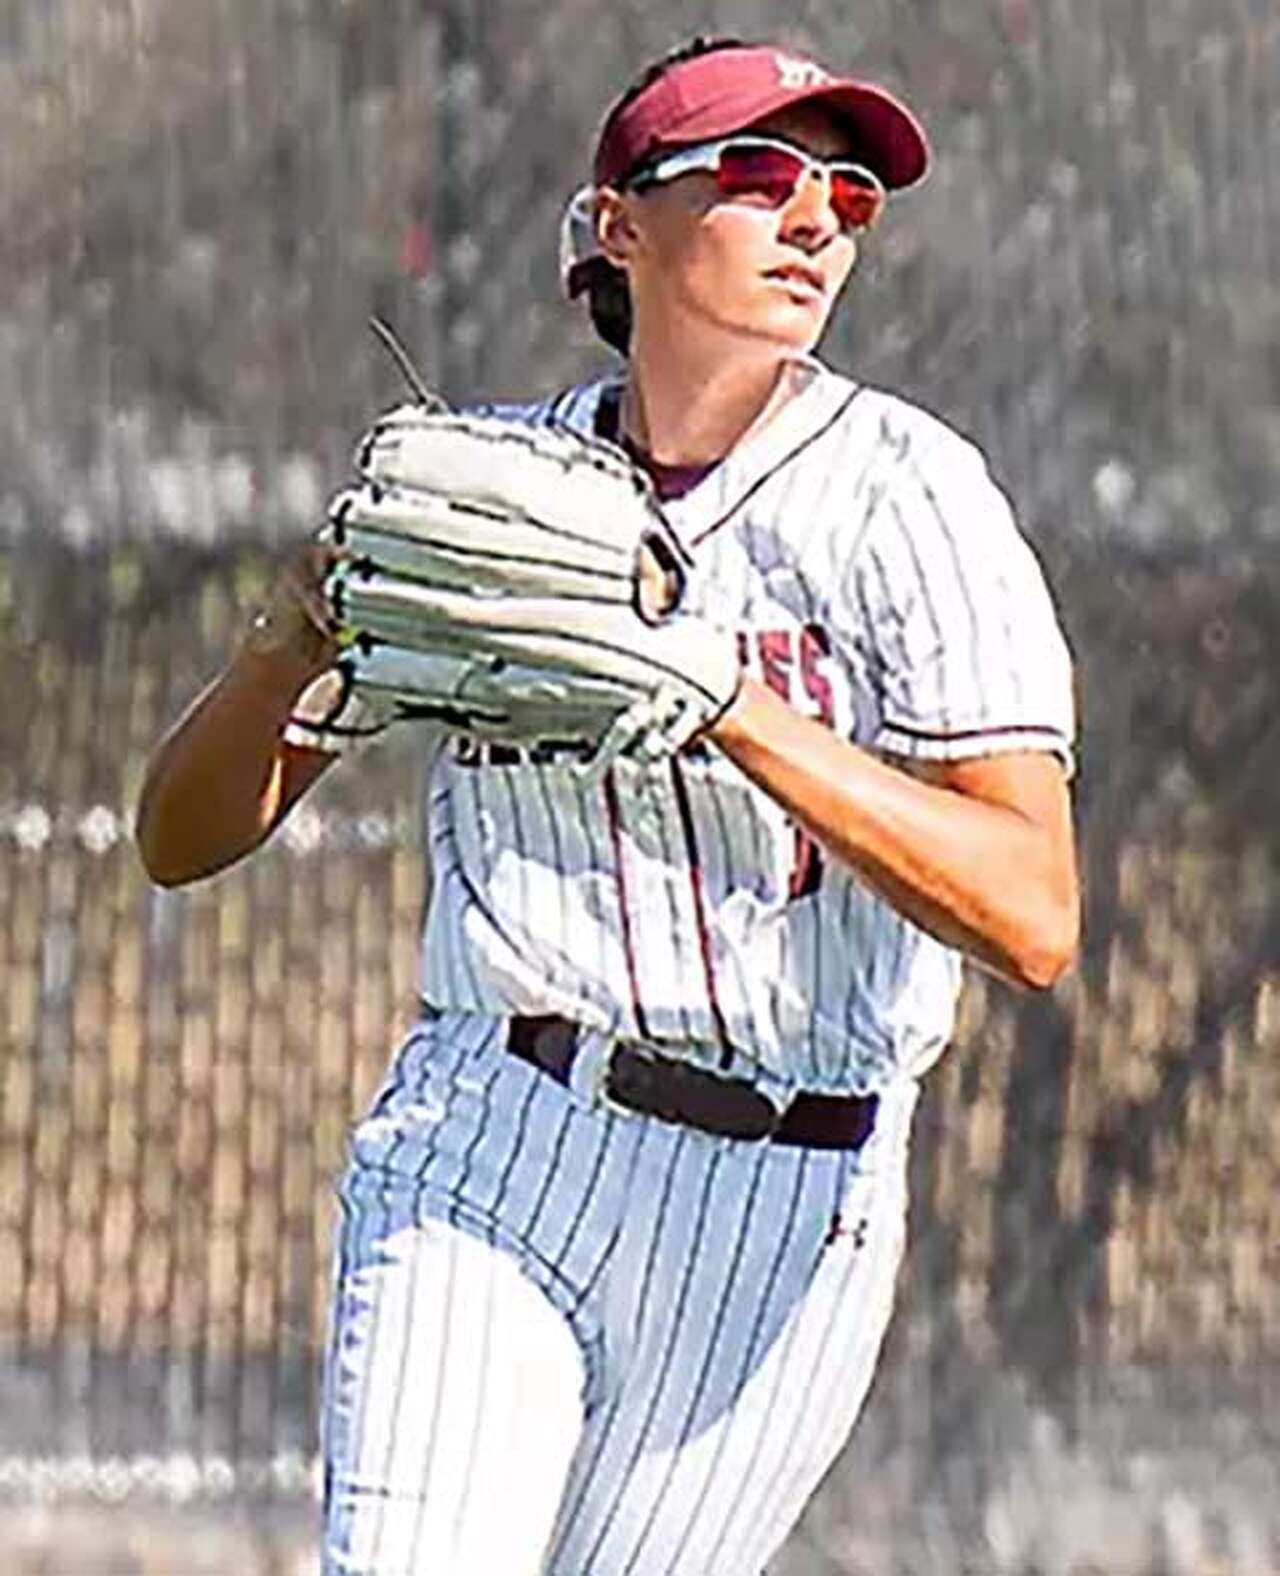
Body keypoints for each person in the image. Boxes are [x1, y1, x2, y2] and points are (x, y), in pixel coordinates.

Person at [135, 34, 1079, 1576]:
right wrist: (289, 638)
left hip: (791, 1202)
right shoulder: (494, 499)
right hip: (495, 1136)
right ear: (618, 225)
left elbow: (1035, 914)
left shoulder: (910, 499)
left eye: (847, 189)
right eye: (760, 174)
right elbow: (180, 839)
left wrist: (731, 703)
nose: (815, 219)